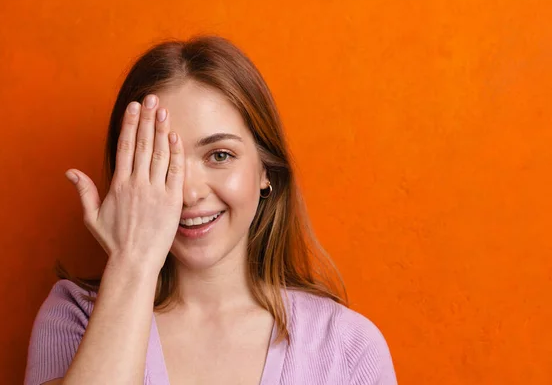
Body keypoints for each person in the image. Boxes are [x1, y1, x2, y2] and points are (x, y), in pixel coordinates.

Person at [24, 35, 397, 385]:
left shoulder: (349, 347)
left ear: (265, 169)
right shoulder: (74, 316)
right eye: (161, 161)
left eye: (220, 155)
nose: (188, 193)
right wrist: (132, 260)